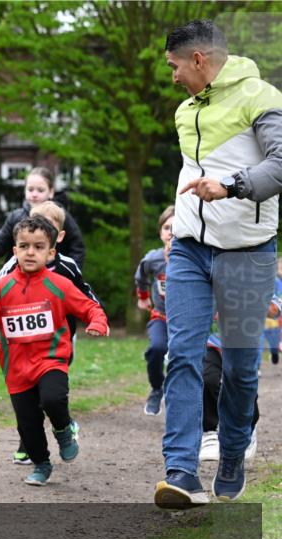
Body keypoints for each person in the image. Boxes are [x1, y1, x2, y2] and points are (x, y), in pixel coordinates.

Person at [154, 19, 282, 509]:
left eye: (175, 67)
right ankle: (182, 472)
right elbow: (192, 172)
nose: (173, 77)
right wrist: (182, 225)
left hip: (248, 252)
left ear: (199, 61)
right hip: (188, 248)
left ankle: (231, 453)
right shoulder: (186, 111)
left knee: (241, 366)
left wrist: (230, 187)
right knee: (181, 354)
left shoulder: (260, 97)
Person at [0, 216, 109, 487]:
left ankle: (62, 430)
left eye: (38, 247)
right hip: (15, 368)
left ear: (51, 253)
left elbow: (89, 307)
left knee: (53, 399)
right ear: (14, 251)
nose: (30, 252)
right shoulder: (2, 288)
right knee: (28, 422)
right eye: (23, 246)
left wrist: (97, 322)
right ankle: (41, 463)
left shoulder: (59, 284)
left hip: (51, 359)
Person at [198, 294, 280, 462]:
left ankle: (248, 429)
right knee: (208, 379)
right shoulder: (204, 277)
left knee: (241, 387)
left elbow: (274, 309)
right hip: (211, 343)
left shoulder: (249, 276)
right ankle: (210, 432)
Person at [0, 167, 86, 269]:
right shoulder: (16, 216)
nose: (34, 194)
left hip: (53, 278)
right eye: (30, 189)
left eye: (40, 190)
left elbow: (77, 248)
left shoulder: (60, 215)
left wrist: (70, 273)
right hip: (20, 276)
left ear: (51, 192)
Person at [134, 206, 176, 416]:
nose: (171, 232)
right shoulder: (153, 259)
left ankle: (180, 398)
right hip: (160, 315)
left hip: (186, 320)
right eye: (167, 228)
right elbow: (141, 276)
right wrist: (143, 297)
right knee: (156, 349)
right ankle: (157, 388)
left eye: (177, 228)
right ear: (161, 233)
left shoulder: (194, 260)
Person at [263, 257, 282, 365]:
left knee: (274, 342)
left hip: (274, 318)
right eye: (279, 266)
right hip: (261, 317)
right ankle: (256, 368)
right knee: (258, 343)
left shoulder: (277, 282)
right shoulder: (270, 279)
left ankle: (274, 352)